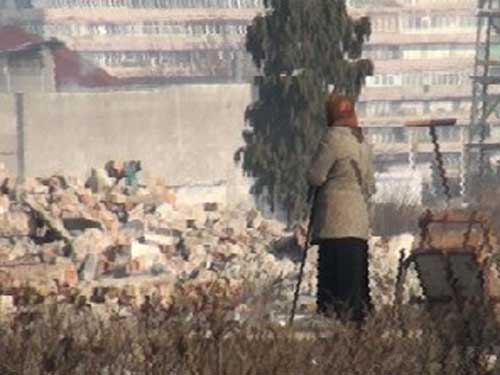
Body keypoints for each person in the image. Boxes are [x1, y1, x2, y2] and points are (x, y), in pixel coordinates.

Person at [307, 93, 376, 323]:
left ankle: (334, 318)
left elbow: (316, 176)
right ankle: (359, 320)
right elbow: (371, 184)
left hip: (334, 220)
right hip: (358, 221)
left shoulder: (332, 139)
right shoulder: (362, 142)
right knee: (356, 277)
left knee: (334, 277)